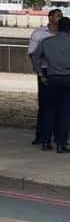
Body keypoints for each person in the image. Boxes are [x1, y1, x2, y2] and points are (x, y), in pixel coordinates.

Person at [33, 16, 70, 152]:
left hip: (52, 77)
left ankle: (45, 141)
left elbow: (35, 57)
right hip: (68, 78)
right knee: (65, 112)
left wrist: (40, 74)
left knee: (49, 110)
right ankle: (61, 143)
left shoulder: (46, 42)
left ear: (58, 27)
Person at [28, 8, 62, 145]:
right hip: (45, 70)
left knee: (60, 105)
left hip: (60, 72)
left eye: (61, 16)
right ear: (50, 18)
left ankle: (58, 135)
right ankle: (40, 135)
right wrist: (40, 73)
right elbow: (32, 54)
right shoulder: (39, 33)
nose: (60, 18)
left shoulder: (64, 34)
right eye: (57, 16)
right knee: (44, 105)